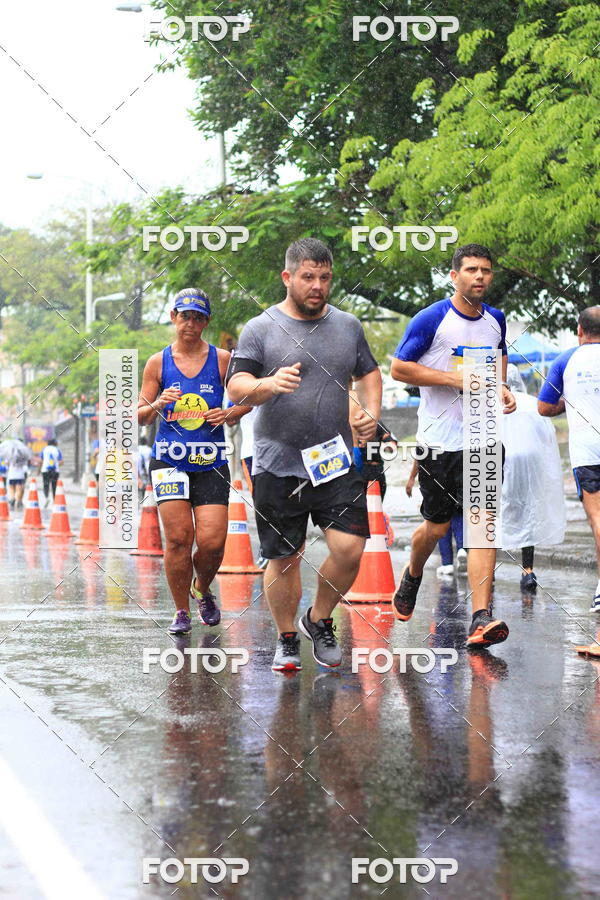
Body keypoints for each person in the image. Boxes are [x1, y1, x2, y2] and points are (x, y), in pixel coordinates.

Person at [227, 238, 382, 672]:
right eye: (308, 277)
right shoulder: (260, 328)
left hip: (334, 459)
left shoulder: (348, 326)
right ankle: (286, 638)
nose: (317, 286)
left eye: (325, 278)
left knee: (350, 548)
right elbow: (236, 386)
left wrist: (370, 413)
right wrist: (268, 384)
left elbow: (369, 373)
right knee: (284, 557)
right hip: (278, 462)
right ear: (288, 277)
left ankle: (319, 618)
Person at [391, 243, 516, 648]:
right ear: (454, 275)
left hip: (483, 439)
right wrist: (451, 379)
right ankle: (413, 574)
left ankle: (481, 616)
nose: (479, 276)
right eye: (471, 269)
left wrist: (502, 388)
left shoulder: (496, 319)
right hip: (439, 442)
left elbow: (498, 359)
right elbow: (399, 368)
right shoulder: (432, 318)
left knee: (482, 525)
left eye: (486, 270)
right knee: (438, 527)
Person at [137, 287, 251, 635]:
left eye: (197, 317)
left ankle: (201, 587)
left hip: (211, 461)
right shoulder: (158, 362)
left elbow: (250, 398)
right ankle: (181, 611)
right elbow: (138, 415)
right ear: (173, 317)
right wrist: (158, 404)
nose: (190, 323)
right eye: (184, 316)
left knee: (213, 542)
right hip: (169, 461)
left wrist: (229, 413)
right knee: (178, 539)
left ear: (206, 322)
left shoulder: (223, 360)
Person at [538, 306, 600, 611]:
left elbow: (544, 407)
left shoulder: (565, 360)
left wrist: (569, 400)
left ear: (579, 331)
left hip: (587, 451)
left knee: (598, 519)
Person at [501, 364, 565, 592]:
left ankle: (486, 573)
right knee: (528, 515)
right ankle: (527, 570)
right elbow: (546, 436)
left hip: (502, 463)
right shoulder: (532, 403)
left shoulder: (491, 403)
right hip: (530, 465)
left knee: (494, 515)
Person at [405, 458, 467, 578]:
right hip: (459, 468)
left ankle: (447, 563)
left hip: (437, 473)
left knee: (440, 521)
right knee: (458, 512)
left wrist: (412, 477)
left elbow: (420, 454)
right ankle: (462, 548)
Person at [2, 436, 33, 510]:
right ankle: (18, 500)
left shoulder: (10, 454)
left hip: (11, 474)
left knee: (11, 488)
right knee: (19, 488)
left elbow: (6, 463)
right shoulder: (24, 454)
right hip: (20, 474)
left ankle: (12, 498)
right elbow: (27, 462)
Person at [40, 438, 62, 507]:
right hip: (55, 471)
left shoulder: (44, 449)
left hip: (45, 470)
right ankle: (54, 500)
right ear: (54, 443)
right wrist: (57, 465)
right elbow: (61, 461)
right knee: (54, 485)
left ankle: (46, 497)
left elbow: (41, 460)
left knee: (46, 484)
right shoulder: (57, 450)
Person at [138, 435, 152, 501]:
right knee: (147, 484)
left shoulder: (137, 449)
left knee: (140, 483)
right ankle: (144, 497)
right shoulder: (149, 449)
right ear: (146, 442)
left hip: (140, 469)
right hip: (147, 469)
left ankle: (141, 497)